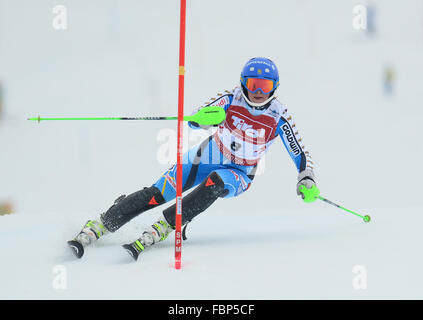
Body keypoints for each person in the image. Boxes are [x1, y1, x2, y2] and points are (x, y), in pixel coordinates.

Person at [67, 57, 320, 260]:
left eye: (263, 86)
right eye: (252, 83)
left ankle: (167, 225)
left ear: (274, 87)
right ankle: (103, 223)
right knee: (159, 193)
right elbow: (198, 117)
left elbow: (299, 152)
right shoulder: (232, 98)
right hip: (209, 154)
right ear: (243, 82)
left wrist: (305, 179)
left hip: (240, 173)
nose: (257, 91)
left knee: (215, 182)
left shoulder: (280, 116)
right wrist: (205, 118)